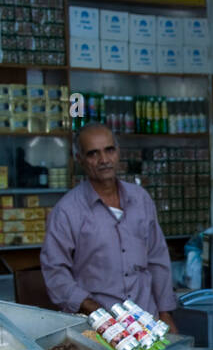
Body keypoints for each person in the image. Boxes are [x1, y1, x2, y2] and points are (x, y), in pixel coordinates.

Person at [40, 123, 177, 326]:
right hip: (97, 326)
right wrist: (95, 311)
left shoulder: (140, 199)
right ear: (80, 160)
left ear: (118, 152)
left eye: (109, 150)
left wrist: (166, 313)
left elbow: (157, 259)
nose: (104, 160)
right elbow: (55, 272)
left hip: (147, 320)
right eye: (93, 154)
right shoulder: (67, 211)